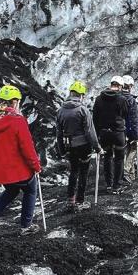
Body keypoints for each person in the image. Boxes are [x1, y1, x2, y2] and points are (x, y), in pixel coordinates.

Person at [0, 84, 43, 233]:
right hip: (17, 170)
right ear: (15, 102)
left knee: (12, 190)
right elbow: (27, 148)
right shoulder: (18, 121)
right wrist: (36, 166)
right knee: (30, 190)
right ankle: (26, 226)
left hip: (0, 170)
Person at [55, 81, 100, 211]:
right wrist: (97, 147)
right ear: (81, 95)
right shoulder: (83, 110)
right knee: (84, 172)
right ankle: (80, 201)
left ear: (70, 93)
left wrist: (61, 150)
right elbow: (90, 131)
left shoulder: (60, 111)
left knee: (73, 171)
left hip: (69, 146)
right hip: (84, 146)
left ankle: (70, 200)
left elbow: (58, 133)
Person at [92, 78, 127, 194]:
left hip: (104, 132)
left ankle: (108, 184)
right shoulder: (121, 99)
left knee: (107, 157)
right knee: (119, 159)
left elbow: (95, 118)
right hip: (118, 132)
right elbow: (125, 114)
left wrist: (97, 134)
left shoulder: (99, 99)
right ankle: (117, 185)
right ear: (120, 86)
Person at [119, 76, 138, 182]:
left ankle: (131, 174)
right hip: (129, 129)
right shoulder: (131, 100)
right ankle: (126, 171)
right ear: (129, 86)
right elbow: (134, 119)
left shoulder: (116, 97)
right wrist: (135, 135)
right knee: (133, 149)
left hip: (118, 130)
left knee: (122, 151)